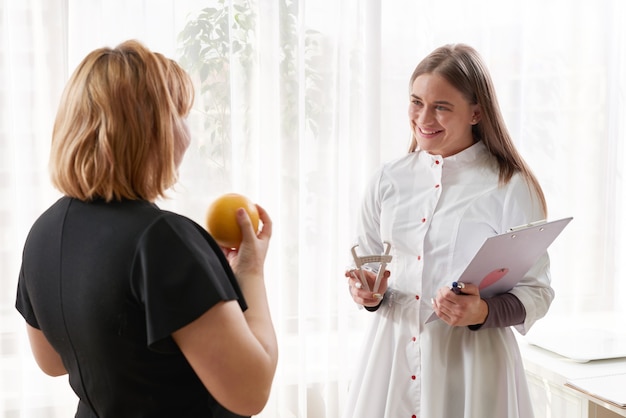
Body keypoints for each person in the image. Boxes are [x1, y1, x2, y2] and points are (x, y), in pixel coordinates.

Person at [15, 40, 278, 418]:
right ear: (151, 130)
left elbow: (52, 361)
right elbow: (250, 392)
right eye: (181, 116)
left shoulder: (44, 231)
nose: (189, 135)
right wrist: (250, 271)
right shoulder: (162, 239)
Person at [343, 43, 553, 418]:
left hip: (475, 370)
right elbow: (372, 266)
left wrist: (481, 311)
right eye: (416, 102)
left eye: (441, 106)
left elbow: (538, 292)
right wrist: (367, 290)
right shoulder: (388, 179)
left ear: (476, 112)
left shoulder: (509, 185)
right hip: (390, 361)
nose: (424, 117)